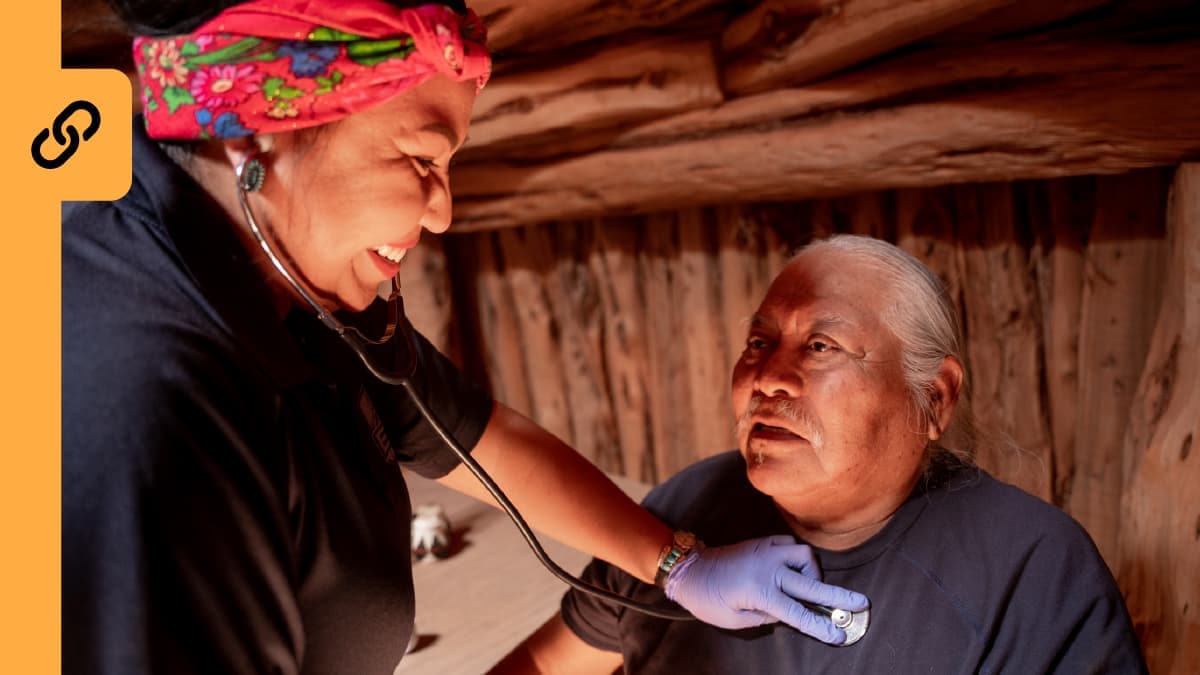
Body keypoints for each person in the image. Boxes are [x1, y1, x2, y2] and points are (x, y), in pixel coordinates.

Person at [61, 2, 869, 673]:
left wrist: (677, 562)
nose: (441, 211)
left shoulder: (299, 273)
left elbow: (471, 432)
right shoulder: (147, 407)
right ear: (257, 134)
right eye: (420, 159)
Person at [492, 234, 1148, 674]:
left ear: (936, 398)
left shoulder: (1030, 571)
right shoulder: (687, 513)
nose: (768, 376)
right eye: (758, 340)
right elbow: (546, 665)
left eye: (821, 346)